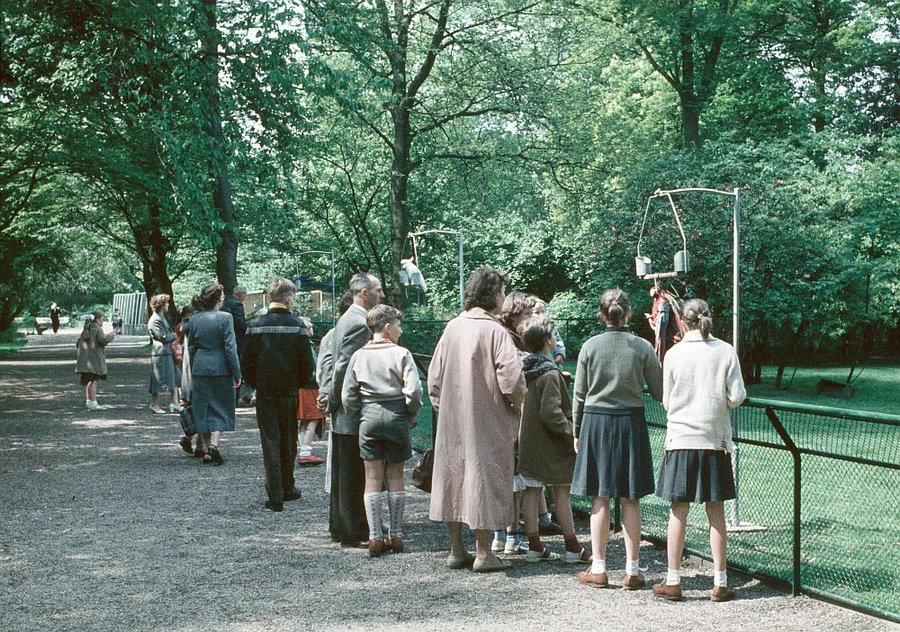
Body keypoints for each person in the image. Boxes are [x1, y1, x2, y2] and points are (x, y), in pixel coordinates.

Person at [428, 268, 527, 573]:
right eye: (500, 291)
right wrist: (519, 408)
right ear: (492, 294)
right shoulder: (495, 331)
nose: (503, 297)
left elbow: (434, 378)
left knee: (453, 479)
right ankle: (484, 552)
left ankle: (457, 550)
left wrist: (442, 407)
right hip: (487, 418)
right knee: (483, 479)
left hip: (452, 419)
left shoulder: (453, 327)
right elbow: (511, 380)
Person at [653, 298, 746, 603]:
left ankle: (673, 580)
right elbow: (737, 396)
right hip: (714, 441)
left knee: (678, 511)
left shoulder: (674, 354)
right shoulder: (725, 350)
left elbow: (667, 399)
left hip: (680, 440)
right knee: (715, 511)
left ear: (682, 319)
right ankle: (720, 582)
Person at [572, 288, 663, 590]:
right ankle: (633, 571)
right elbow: (660, 391)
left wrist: (575, 431)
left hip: (595, 423)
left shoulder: (589, 347)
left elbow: (580, 395)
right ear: (629, 312)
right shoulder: (642, 347)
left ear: (602, 314)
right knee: (631, 497)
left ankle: (598, 568)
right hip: (631, 422)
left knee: (600, 495)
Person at [342, 305, 423, 557]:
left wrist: (360, 415)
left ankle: (375, 537)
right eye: (398, 325)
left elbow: (348, 394)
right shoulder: (401, 353)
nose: (401, 330)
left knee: (373, 478)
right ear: (387, 327)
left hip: (369, 416)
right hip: (396, 414)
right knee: (396, 476)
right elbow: (414, 391)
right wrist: (410, 412)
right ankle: (396, 535)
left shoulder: (359, 355)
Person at [516, 315, 591, 564]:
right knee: (562, 493)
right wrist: (570, 429)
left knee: (531, 491)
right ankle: (572, 546)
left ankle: (534, 546)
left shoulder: (525, 370)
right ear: (548, 341)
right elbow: (551, 413)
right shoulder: (549, 374)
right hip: (551, 444)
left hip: (528, 441)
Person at [241, 278, 315, 511]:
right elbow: (307, 363)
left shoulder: (255, 325)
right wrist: (298, 383)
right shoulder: (297, 326)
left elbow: (247, 362)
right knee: (288, 440)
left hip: (265, 392)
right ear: (287, 297)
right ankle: (287, 486)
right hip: (290, 392)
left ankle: (274, 493)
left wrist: (257, 384)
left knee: (270, 441)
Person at [327, 273, 384, 547]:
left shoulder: (346, 318)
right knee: (352, 471)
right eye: (378, 290)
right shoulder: (359, 323)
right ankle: (354, 530)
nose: (381, 294)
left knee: (343, 470)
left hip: (343, 407)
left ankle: (342, 526)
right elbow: (344, 366)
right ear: (363, 293)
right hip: (350, 408)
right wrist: (336, 399)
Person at [182, 283, 242, 466]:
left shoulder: (194, 320)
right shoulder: (226, 318)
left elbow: (191, 348)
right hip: (221, 366)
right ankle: (214, 445)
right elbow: (230, 347)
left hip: (200, 366)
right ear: (218, 299)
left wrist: (193, 368)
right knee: (222, 406)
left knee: (203, 408)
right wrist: (237, 372)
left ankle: (207, 448)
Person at [296, 317, 326, 467]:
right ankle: (305, 452)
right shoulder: (307, 345)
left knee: (304, 420)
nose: (312, 327)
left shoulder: (297, 344)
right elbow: (313, 367)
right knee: (314, 418)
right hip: (311, 386)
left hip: (301, 385)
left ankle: (304, 449)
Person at [148, 294, 182, 414]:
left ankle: (175, 402)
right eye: (166, 303)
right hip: (161, 354)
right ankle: (154, 404)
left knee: (176, 377)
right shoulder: (156, 320)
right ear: (161, 305)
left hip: (168, 352)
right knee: (158, 379)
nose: (168, 305)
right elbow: (164, 337)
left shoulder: (161, 317)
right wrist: (174, 335)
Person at [75, 311, 115, 410]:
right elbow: (103, 340)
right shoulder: (98, 329)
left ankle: (89, 401)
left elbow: (78, 344)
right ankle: (93, 402)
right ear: (97, 319)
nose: (102, 321)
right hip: (95, 362)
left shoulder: (86, 330)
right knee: (94, 381)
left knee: (89, 381)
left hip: (86, 363)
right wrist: (112, 334)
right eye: (102, 319)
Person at [221, 285, 249, 405]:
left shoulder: (225, 302)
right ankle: (235, 398)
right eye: (245, 295)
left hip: (223, 339)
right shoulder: (237, 304)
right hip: (237, 341)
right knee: (236, 367)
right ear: (239, 294)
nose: (245, 297)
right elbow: (240, 324)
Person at [175, 305, 197, 455]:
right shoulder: (188, 325)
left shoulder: (181, 326)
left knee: (191, 403)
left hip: (184, 362)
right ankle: (191, 438)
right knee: (196, 405)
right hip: (188, 361)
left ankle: (189, 438)